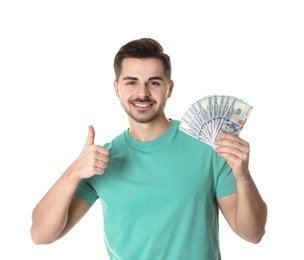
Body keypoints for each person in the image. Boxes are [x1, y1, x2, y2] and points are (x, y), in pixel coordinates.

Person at [30, 38, 268, 260]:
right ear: (116, 88)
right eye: (131, 82)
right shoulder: (101, 160)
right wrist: (73, 172)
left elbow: (253, 233)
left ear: (169, 88)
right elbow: (41, 235)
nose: (142, 93)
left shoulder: (209, 148)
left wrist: (243, 176)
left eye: (153, 82)